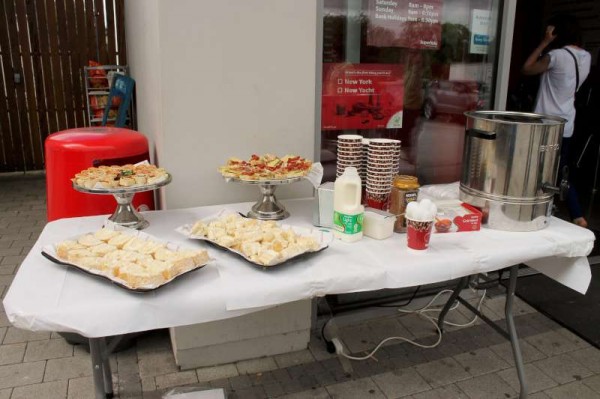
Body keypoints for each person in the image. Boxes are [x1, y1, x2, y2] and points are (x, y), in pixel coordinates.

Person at [522, 14, 591, 228]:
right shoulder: (586, 57)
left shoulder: (557, 56)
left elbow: (527, 68)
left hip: (546, 124)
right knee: (560, 171)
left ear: (556, 33)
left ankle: (539, 212)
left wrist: (544, 42)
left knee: (536, 168)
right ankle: (576, 215)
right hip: (566, 123)